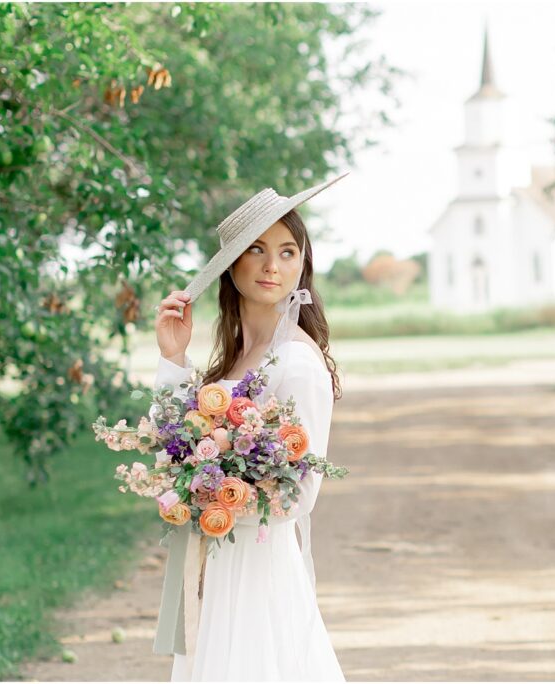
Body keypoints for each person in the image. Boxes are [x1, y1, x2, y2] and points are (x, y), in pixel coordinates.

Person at [150, 176, 348, 681]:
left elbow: (300, 495)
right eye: (256, 250)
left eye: (287, 251)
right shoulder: (237, 360)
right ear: (231, 264)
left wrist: (215, 502)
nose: (271, 265)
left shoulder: (297, 364)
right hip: (217, 562)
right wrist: (174, 359)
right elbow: (176, 444)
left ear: (303, 263)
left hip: (256, 569)